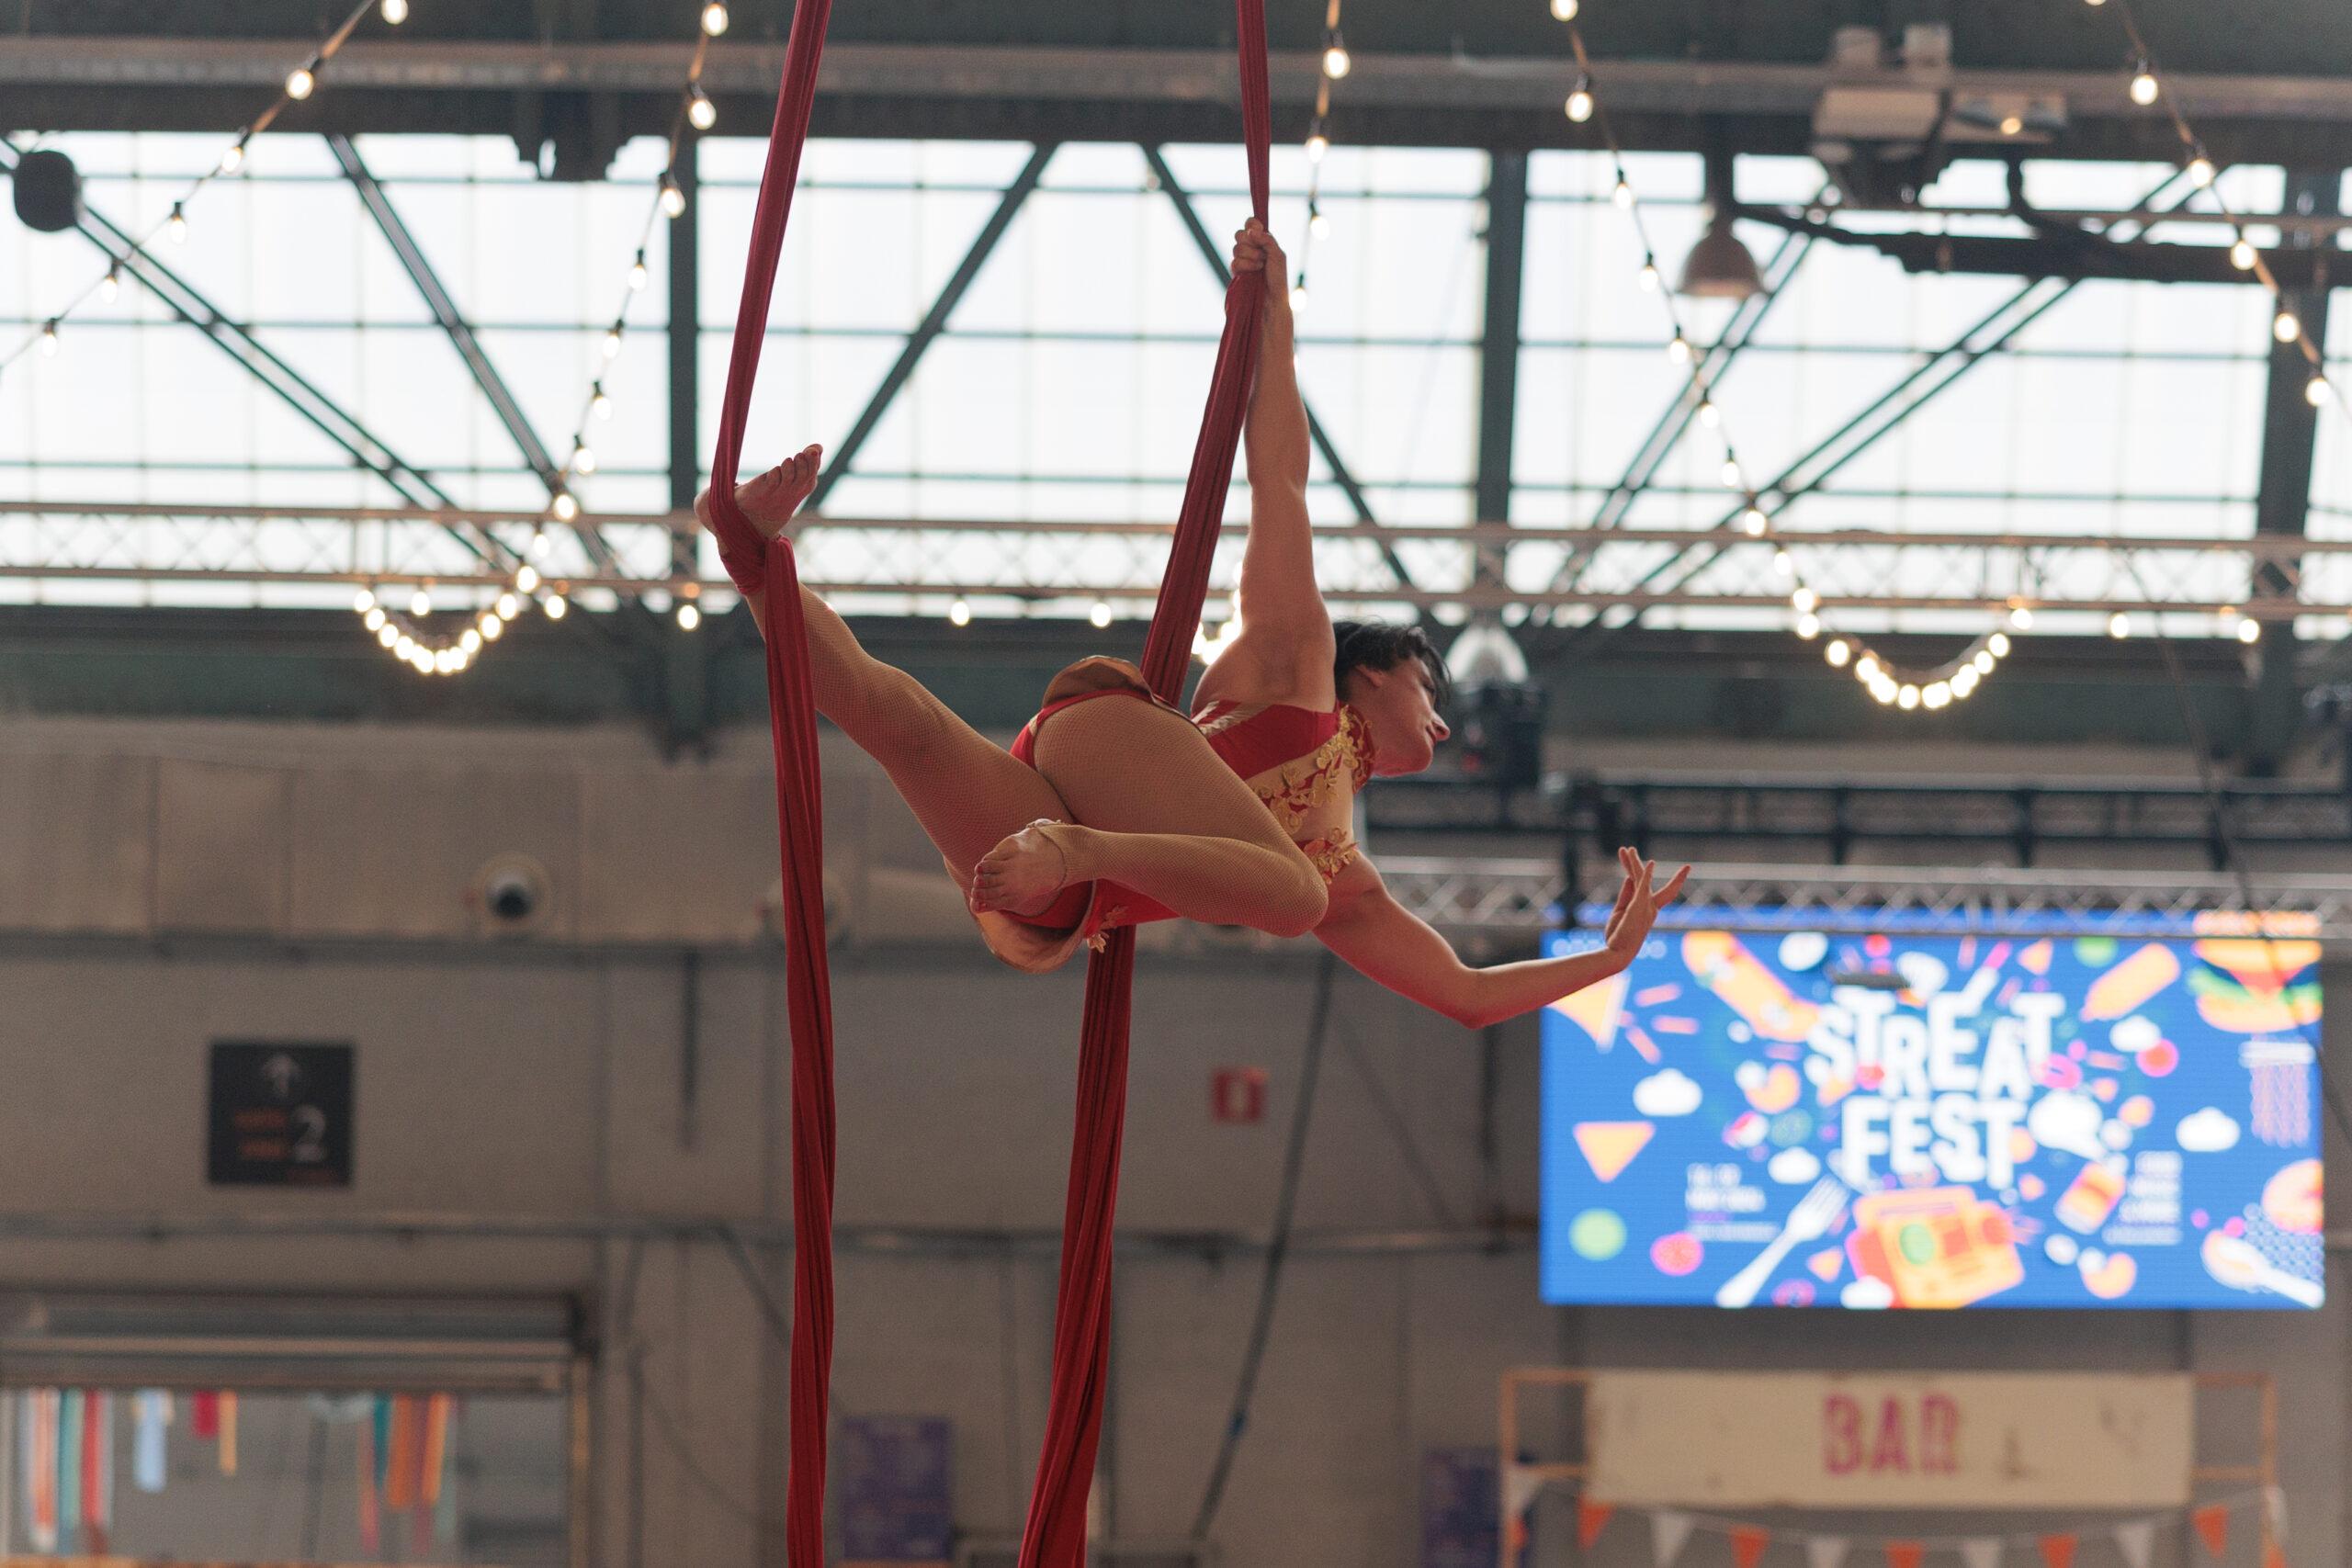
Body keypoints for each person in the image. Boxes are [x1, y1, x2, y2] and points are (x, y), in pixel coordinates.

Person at [699, 219, 1689, 1026]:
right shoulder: (1296, 660)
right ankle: (1076, 851)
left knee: (898, 725)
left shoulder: (1350, 878)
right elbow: (1280, 482)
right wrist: (1274, 327)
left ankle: (749, 552)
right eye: (1427, 690)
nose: (1443, 722)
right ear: (1373, 673)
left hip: (1057, 872)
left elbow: (1466, 998)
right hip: (1109, 762)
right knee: (1292, 901)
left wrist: (1605, 963)